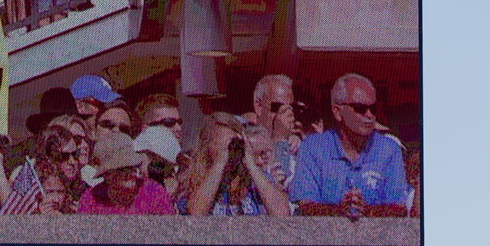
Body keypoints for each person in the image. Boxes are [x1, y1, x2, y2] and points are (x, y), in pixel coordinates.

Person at [287, 73, 413, 215]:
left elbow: (398, 209)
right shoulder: (312, 148)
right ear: (337, 112)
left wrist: (365, 211)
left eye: (374, 109)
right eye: (360, 108)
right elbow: (305, 207)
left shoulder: (389, 150)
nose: (369, 115)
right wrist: (340, 212)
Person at [176, 111, 292, 217]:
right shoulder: (194, 181)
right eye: (226, 143)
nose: (232, 149)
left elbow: (282, 213)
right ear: (207, 146)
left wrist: (251, 164)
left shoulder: (255, 180)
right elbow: (195, 213)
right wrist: (220, 162)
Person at [76, 129, 175, 215]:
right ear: (107, 175)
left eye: (133, 165)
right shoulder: (90, 199)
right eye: (122, 168)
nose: (131, 172)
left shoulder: (155, 193)